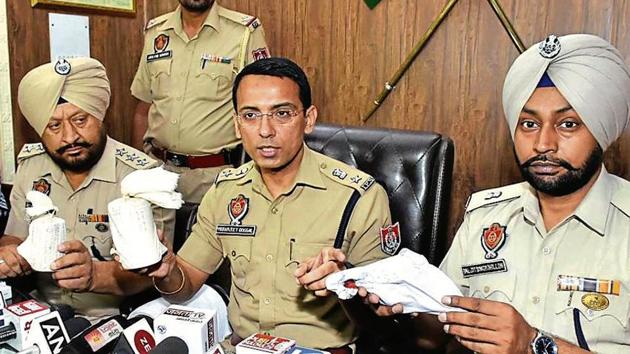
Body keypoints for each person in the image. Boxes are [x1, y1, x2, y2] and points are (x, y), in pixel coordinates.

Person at [360, 34, 630, 353]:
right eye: (528, 124)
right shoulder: (486, 216)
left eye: (568, 124)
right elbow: (435, 335)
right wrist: (399, 307)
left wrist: (534, 345)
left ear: (602, 130)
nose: (543, 143)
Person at [149, 57, 396, 352]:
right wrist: (165, 271)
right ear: (237, 125)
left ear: (309, 119)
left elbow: (385, 322)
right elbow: (184, 285)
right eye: (251, 115)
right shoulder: (225, 192)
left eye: (282, 113)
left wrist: (344, 285)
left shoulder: (359, 197)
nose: (265, 130)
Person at [2, 57, 174, 320]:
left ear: (100, 116)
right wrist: (10, 253)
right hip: (39, 313)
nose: (70, 137)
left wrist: (95, 274)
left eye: (80, 120)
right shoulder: (31, 167)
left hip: (115, 318)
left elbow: (151, 273)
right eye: (54, 126)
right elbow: (14, 237)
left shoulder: (142, 176)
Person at [131, 0, 270, 203]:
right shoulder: (156, 32)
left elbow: (264, 109)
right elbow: (143, 108)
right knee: (156, 236)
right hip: (157, 174)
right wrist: (139, 169)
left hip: (215, 178)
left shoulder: (244, 32)